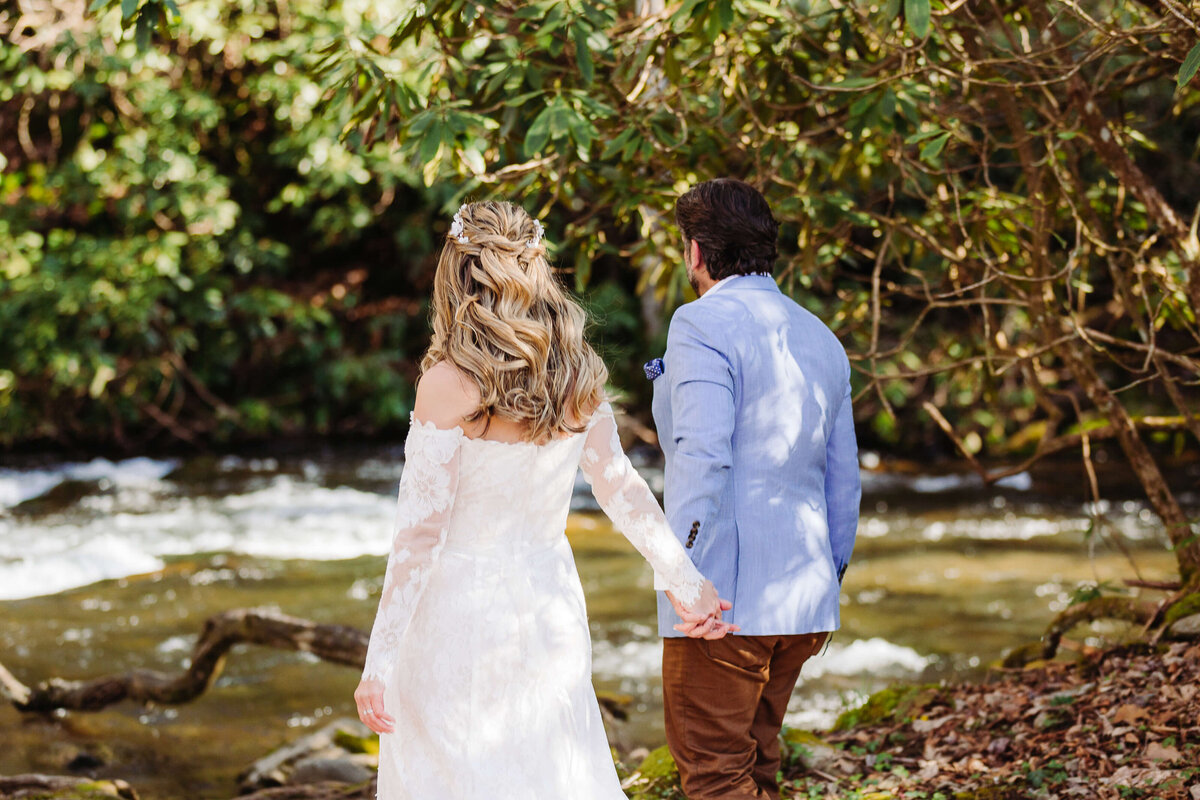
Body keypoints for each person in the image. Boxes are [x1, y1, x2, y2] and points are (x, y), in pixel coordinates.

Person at [352, 200, 738, 799]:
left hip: (456, 611)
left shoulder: (449, 383)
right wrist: (686, 584)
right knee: (550, 767)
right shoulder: (578, 374)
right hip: (548, 600)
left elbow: (417, 539)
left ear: (456, 280)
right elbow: (622, 489)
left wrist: (379, 664)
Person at [651, 179, 862, 800]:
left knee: (716, 778)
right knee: (756, 768)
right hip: (804, 597)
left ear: (694, 251)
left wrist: (682, 574)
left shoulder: (699, 323)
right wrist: (831, 575)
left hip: (723, 604)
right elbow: (843, 480)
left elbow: (701, 457)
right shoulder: (821, 335)